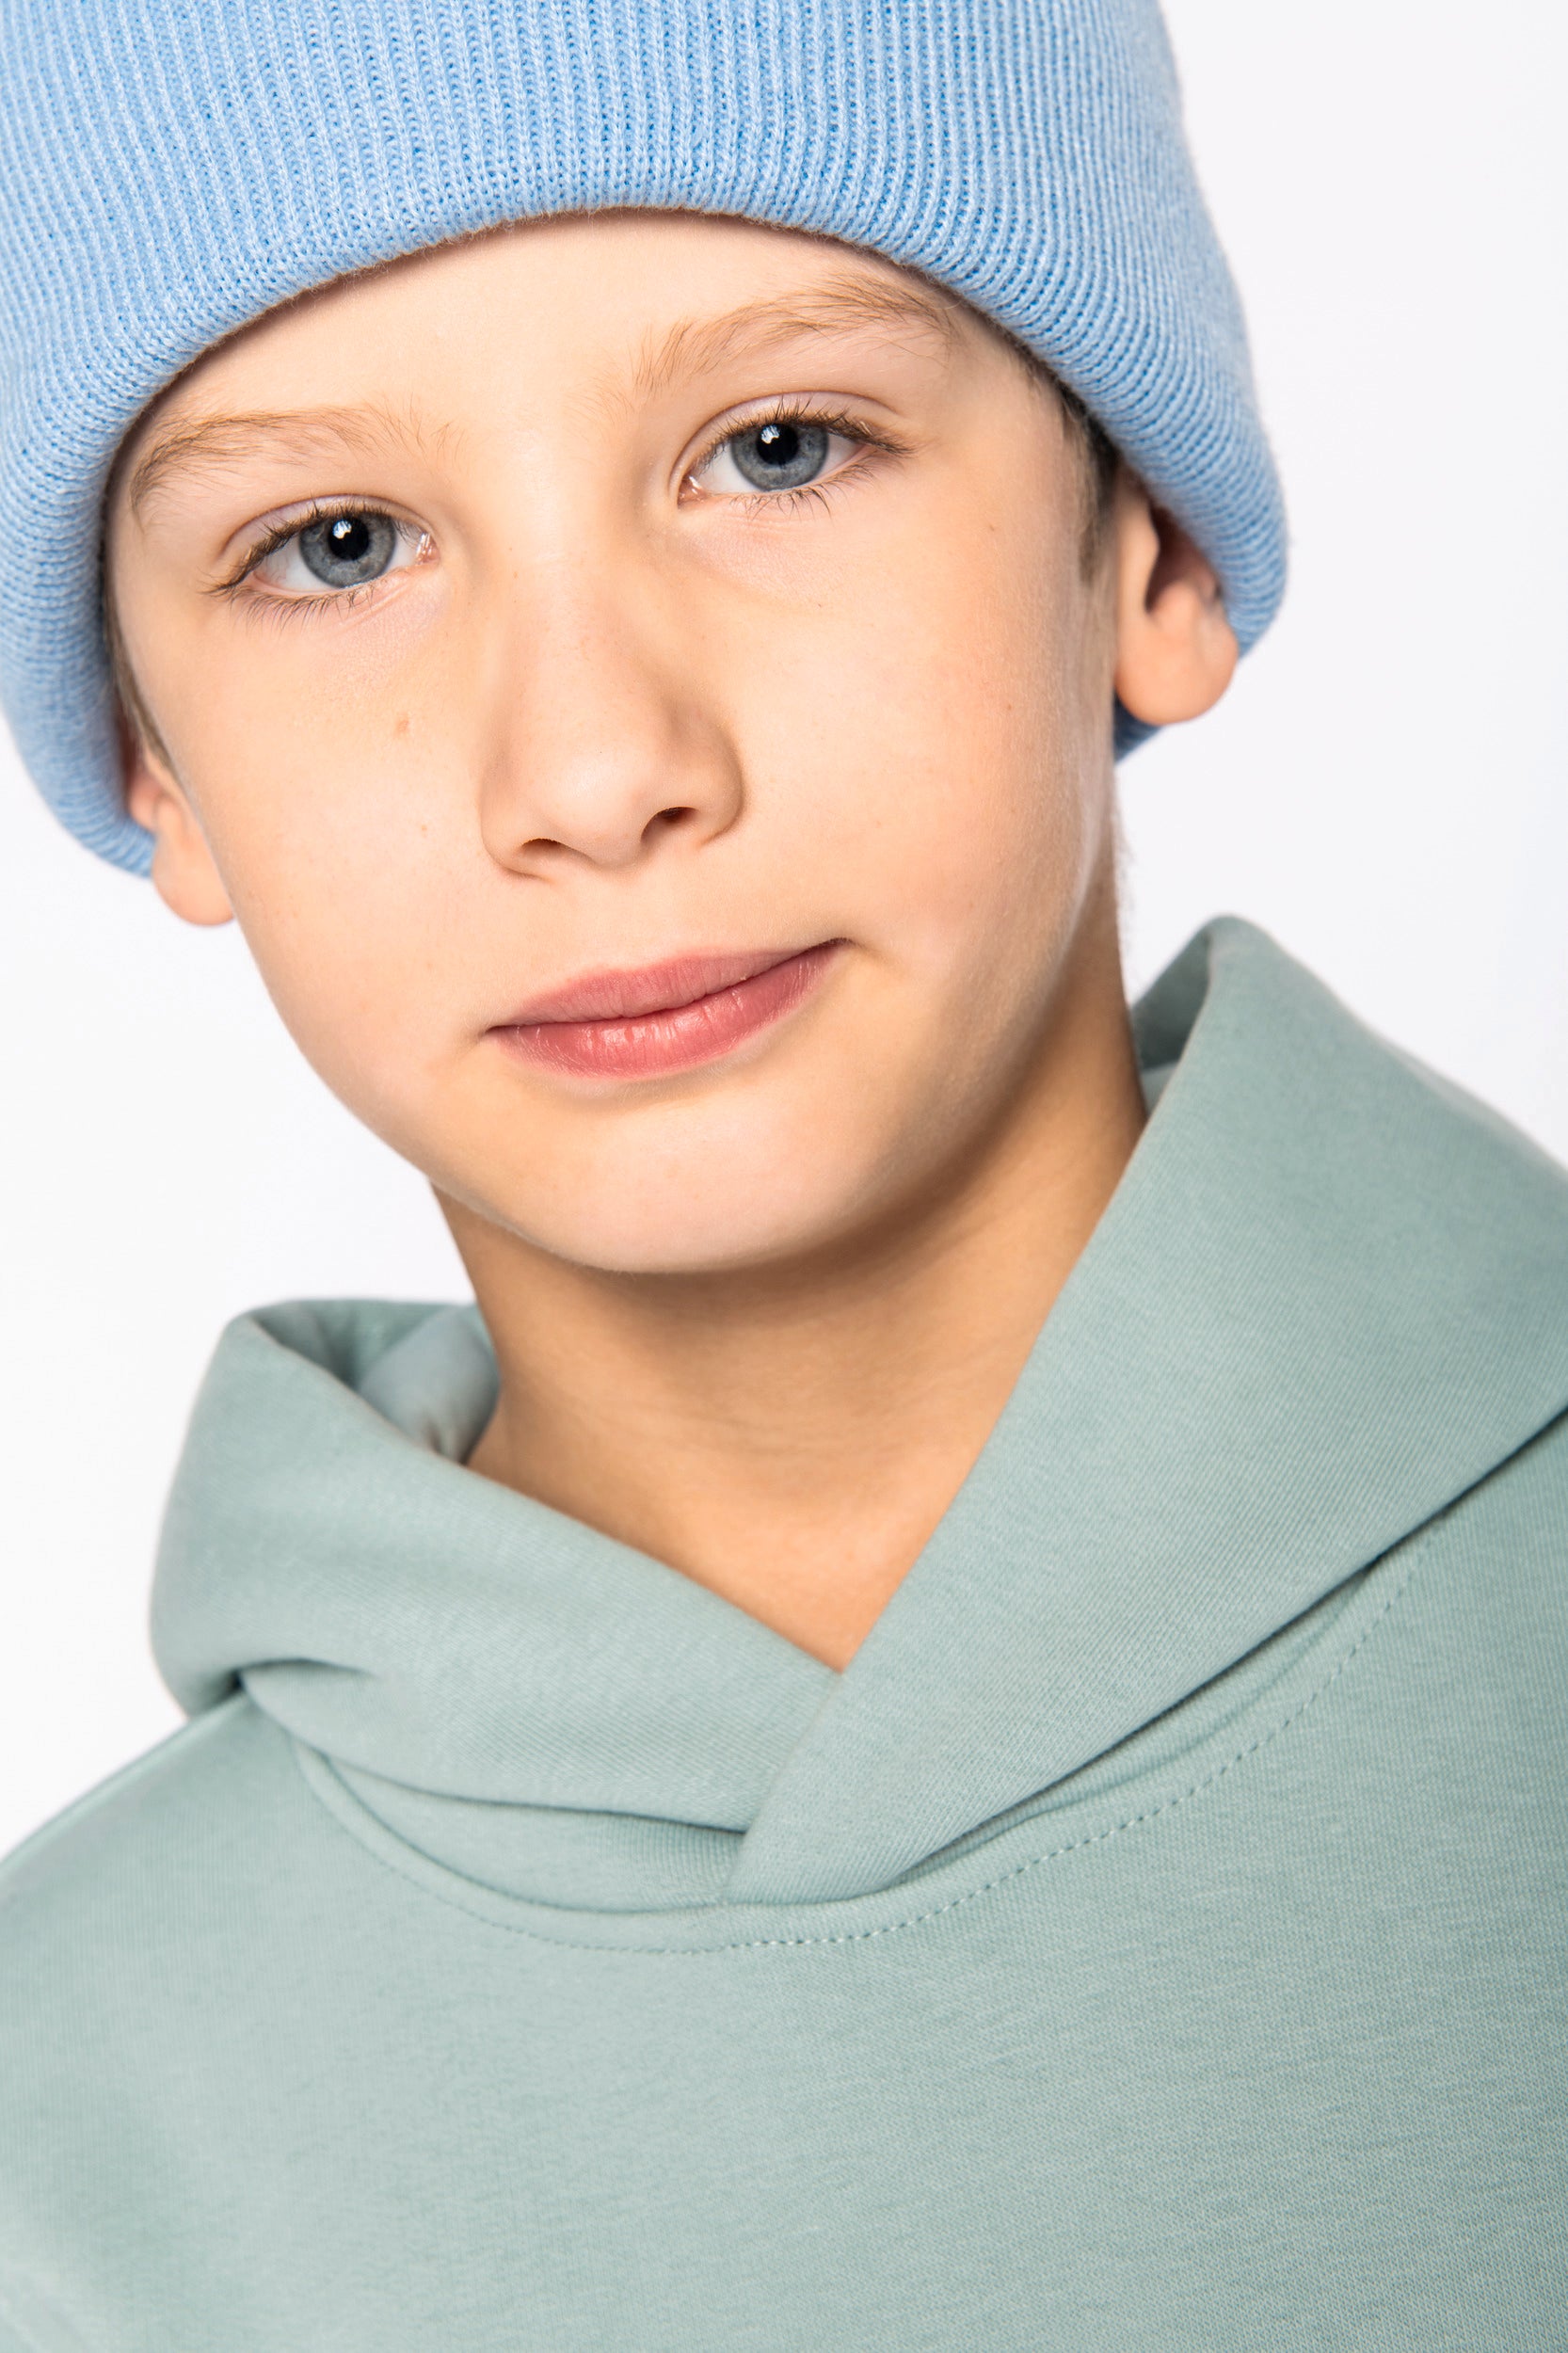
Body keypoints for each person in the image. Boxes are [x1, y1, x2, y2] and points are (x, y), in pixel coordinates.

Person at [0, 1, 1563, 2345]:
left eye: (777, 447)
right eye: (336, 545)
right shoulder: (58, 2135)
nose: (592, 764)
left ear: (1144, 542)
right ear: (154, 762)